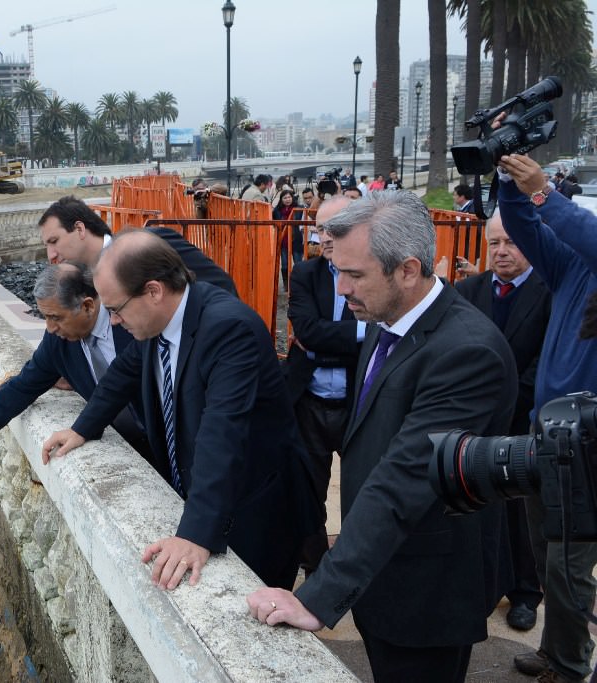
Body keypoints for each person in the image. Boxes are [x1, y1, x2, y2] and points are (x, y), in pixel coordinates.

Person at [249, 190, 517, 683]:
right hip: (380, 568)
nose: (341, 288)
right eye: (338, 270)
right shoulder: (383, 316)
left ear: (408, 270)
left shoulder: (466, 352)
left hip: (426, 589)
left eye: (354, 274)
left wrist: (318, 597)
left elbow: (404, 477)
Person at [41, 230, 318, 591]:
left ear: (153, 291)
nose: (114, 322)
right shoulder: (157, 321)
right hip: (203, 488)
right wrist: (82, 429)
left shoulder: (229, 328)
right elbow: (122, 375)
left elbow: (222, 432)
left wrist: (195, 534)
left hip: (255, 508)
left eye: (115, 310)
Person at [498, 152, 597, 683]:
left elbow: (581, 230)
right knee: (544, 551)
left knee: (568, 563)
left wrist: (543, 192)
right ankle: (558, 648)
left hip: (589, 445)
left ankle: (570, 663)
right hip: (549, 431)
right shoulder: (570, 267)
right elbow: (523, 227)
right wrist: (507, 178)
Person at [0, 262, 150, 469]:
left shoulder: (132, 323)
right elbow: (23, 386)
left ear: (87, 306)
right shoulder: (58, 342)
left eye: (55, 318)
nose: (50, 328)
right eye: (45, 317)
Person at [453, 208, 551, 632]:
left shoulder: (549, 292)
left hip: (522, 420)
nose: (501, 251)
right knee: (480, 506)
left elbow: (543, 361)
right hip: (476, 422)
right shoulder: (468, 290)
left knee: (522, 511)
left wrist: (505, 404)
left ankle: (526, 592)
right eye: (494, 243)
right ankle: (486, 585)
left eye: (510, 242)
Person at [282, 197, 363, 572]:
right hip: (308, 401)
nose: (326, 237)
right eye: (319, 228)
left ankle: (358, 566)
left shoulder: (370, 272)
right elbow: (309, 331)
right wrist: (357, 336)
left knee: (362, 488)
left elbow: (378, 331)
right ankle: (315, 568)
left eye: (335, 227)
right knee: (308, 490)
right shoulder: (305, 273)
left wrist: (321, 343)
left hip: (357, 402)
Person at [38, 195, 238, 297]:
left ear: (80, 229)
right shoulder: (83, 284)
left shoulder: (152, 243)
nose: (51, 256)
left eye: (54, 242)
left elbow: (221, 285)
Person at [273, 189, 302, 291]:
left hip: (296, 240)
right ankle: (286, 285)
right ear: (281, 199)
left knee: (298, 264)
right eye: (285, 197)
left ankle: (299, 284)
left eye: (289, 197)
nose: (287, 199)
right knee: (285, 265)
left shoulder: (299, 209)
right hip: (283, 241)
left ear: (292, 198)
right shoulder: (277, 211)